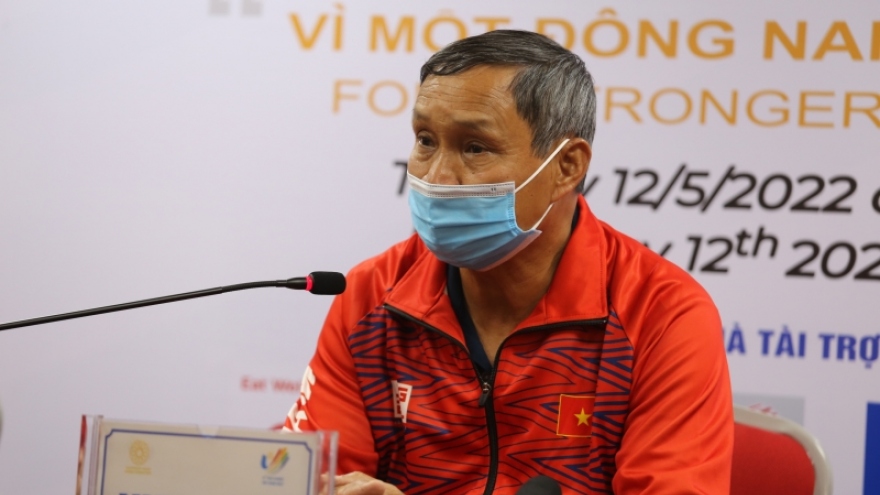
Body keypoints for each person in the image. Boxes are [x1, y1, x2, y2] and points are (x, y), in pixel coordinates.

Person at [285, 30, 733, 495]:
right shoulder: (372, 296)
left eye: (474, 147)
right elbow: (310, 481)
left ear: (566, 166)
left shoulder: (660, 315)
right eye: (425, 140)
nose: (437, 176)